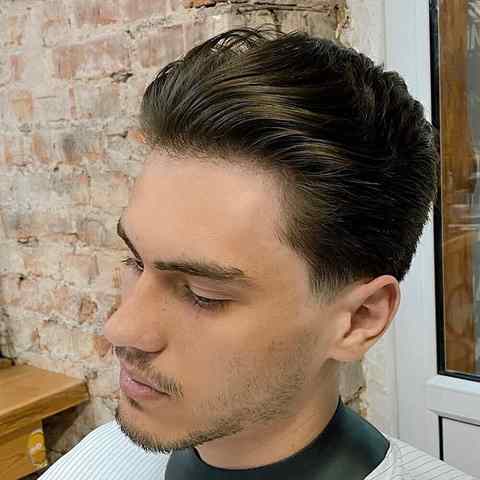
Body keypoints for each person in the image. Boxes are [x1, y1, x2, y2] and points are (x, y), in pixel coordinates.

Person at [38, 26, 475, 480]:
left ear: (359, 319)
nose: (120, 328)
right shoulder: (96, 458)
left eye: (203, 295)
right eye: (135, 261)